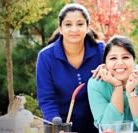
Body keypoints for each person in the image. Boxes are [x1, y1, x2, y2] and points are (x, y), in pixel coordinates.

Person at [36, 3, 105, 133]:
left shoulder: (101, 50)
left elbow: (121, 70)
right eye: (68, 24)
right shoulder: (46, 57)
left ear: (88, 27)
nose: (74, 29)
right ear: (60, 29)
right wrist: (57, 126)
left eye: (80, 24)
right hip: (61, 126)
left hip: (98, 125)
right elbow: (47, 100)